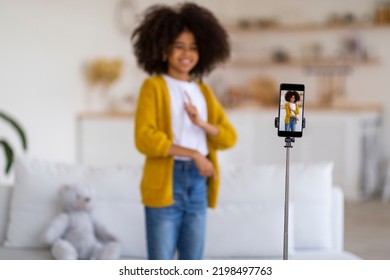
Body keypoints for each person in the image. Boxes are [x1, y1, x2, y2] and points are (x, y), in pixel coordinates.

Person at [131, 2, 237, 260]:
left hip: (199, 184)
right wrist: (194, 154)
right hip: (167, 182)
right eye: (179, 46)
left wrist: (202, 124)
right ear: (164, 49)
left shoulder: (203, 91)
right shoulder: (153, 87)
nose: (186, 53)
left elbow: (228, 137)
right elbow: (145, 139)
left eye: (193, 47)